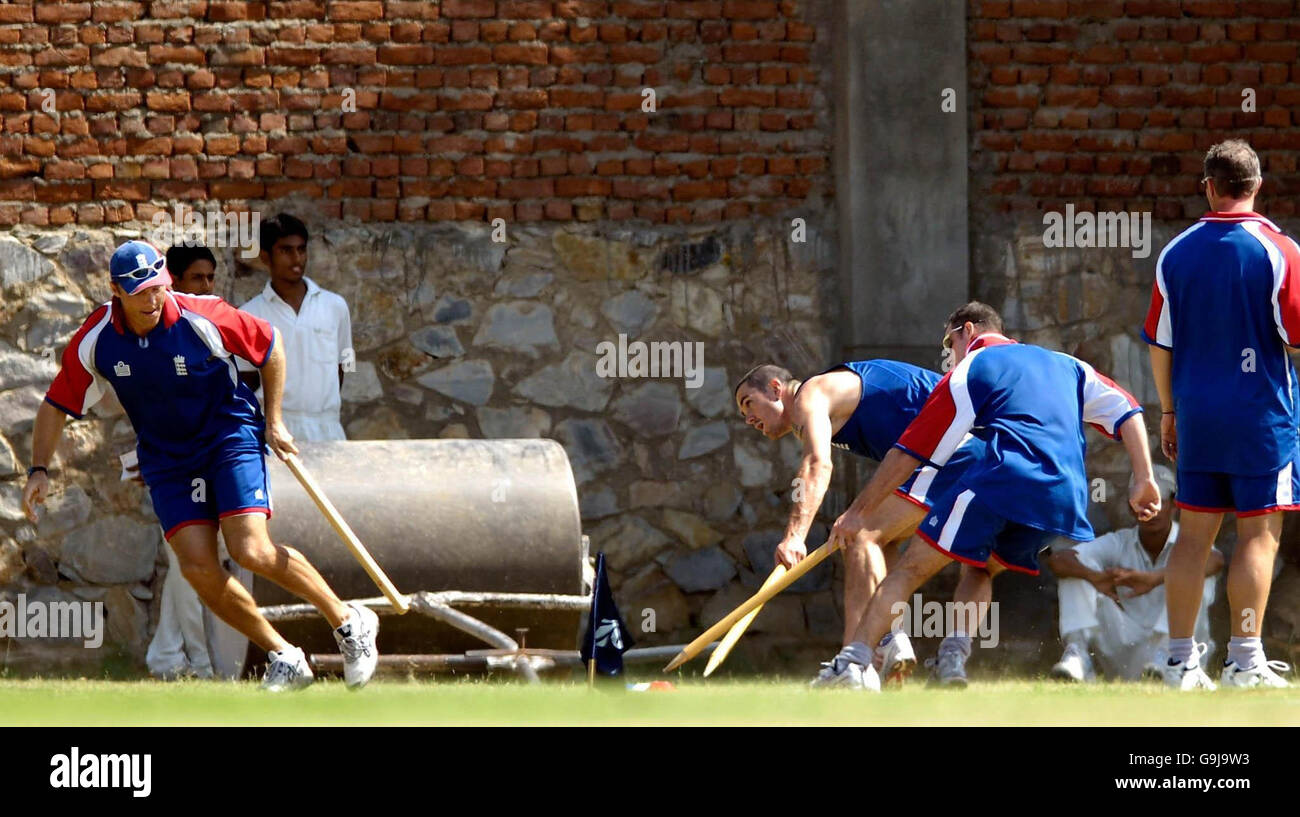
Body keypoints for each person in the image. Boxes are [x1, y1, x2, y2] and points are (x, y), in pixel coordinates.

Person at [22, 240, 378, 691]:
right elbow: (56, 404)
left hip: (228, 436)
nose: (152, 300)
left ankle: (349, 623)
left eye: (157, 287)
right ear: (115, 290)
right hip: (168, 458)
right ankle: (285, 656)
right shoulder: (97, 339)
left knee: (252, 550)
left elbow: (270, 346)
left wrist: (275, 421)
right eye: (139, 292)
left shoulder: (202, 314)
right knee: (196, 566)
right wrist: (38, 469)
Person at [813, 302, 1160, 691]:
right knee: (980, 567)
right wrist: (1144, 477)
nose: (950, 353)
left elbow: (912, 451)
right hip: (1065, 496)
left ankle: (854, 662)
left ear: (967, 331)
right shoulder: (1066, 364)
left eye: (950, 342)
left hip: (1002, 480)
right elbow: (1128, 409)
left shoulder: (970, 369)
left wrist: (859, 512)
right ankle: (953, 659)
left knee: (910, 569)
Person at [735, 359, 998, 687]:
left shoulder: (809, 395)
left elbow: (817, 464)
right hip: (971, 456)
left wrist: (795, 536)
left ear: (776, 389)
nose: (747, 418)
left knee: (859, 535)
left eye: (749, 403)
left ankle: (853, 664)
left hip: (952, 451)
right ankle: (888, 641)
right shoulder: (833, 396)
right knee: (878, 538)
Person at [1143, 138, 1296, 689]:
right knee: (1258, 535)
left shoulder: (1175, 252)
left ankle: (1180, 663)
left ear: (1208, 185)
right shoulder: (1281, 250)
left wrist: (1167, 411)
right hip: (1261, 416)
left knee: (1193, 536)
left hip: (1197, 414)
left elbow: (1159, 343)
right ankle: (1245, 660)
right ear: (1257, 185)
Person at [143, 244, 256, 681]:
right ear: (173, 283)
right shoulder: (151, 339)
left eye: (212, 279)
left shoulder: (214, 327)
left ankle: (169, 657)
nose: (207, 287)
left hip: (215, 459)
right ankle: (197, 661)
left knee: (197, 562)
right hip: (173, 462)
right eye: (197, 279)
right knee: (189, 562)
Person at [1046, 466, 1223, 681]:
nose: (1150, 511)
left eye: (1158, 503)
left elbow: (1216, 561)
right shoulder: (1119, 541)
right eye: (1142, 504)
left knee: (1195, 575)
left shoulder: (1188, 543)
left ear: (1174, 505)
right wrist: (1095, 577)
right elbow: (1059, 559)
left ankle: (1170, 655)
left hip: (1178, 654)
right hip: (1126, 646)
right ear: (1131, 508)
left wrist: (1155, 579)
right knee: (1075, 571)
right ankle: (1078, 655)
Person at [237, 214, 352, 442]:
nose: (296, 258)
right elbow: (246, 382)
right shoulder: (250, 314)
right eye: (285, 250)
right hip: (276, 431)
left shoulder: (335, 306)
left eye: (301, 249)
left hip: (328, 428)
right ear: (265, 257)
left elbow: (341, 367)